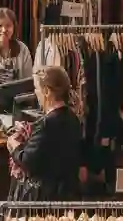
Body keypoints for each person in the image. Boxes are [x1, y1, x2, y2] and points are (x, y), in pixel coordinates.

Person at [7, 66, 81, 200]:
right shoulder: (73, 118)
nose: (35, 93)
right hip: (69, 193)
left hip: (46, 198)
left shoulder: (47, 124)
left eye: (36, 89)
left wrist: (14, 146)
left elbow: (28, 161)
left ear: (46, 91)